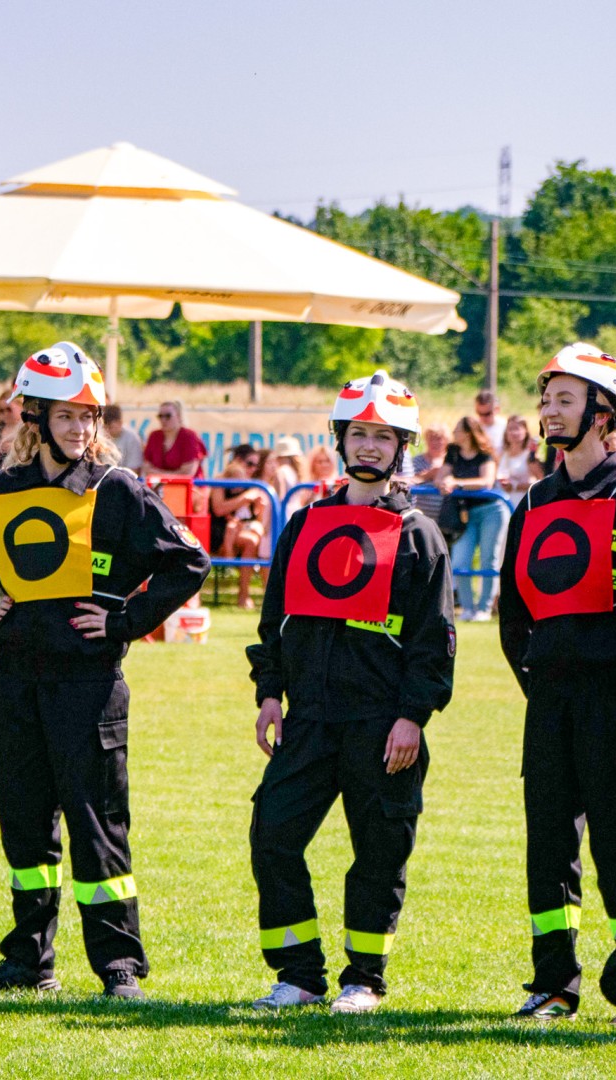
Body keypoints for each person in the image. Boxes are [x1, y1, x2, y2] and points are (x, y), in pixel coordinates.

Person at [0, 341, 209, 997]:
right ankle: (28, 962)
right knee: (25, 825)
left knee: (98, 828)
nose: (79, 428)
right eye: (66, 416)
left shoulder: (117, 490)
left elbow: (189, 561)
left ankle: (118, 968)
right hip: (16, 681)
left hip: (90, 687)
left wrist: (122, 621)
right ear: (34, 419)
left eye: (88, 416)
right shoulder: (2, 490)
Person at [247, 369, 455, 1014]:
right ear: (341, 439)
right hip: (309, 719)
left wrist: (412, 717)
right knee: (272, 835)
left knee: (378, 852)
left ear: (402, 447)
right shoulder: (306, 522)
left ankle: (364, 980)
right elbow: (277, 612)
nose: (369, 446)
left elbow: (434, 638)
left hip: (381, 724)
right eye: (359, 433)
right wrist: (270, 692)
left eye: (383, 436)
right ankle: (300, 974)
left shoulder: (421, 535)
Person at [498, 343, 616, 1027]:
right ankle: (553, 985)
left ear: (604, 414)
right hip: (550, 706)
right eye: (546, 399)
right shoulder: (536, 501)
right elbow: (512, 615)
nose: (549, 411)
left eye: (565, 400)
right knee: (548, 849)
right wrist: (540, 680)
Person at [437, 416, 505, 623]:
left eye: (457, 429)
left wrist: (456, 483)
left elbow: (487, 481)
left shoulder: (485, 454)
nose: (454, 433)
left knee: (488, 558)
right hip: (464, 514)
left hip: (491, 511)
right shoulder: (453, 453)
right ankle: (467, 607)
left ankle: (484, 608)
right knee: (460, 559)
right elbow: (442, 477)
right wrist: (444, 482)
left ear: (467, 433)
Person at [211, 445, 272, 610]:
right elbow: (219, 508)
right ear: (237, 460)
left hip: (242, 531)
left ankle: (244, 596)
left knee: (255, 540)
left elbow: (255, 517)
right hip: (218, 533)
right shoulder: (220, 481)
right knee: (249, 539)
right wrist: (246, 498)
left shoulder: (252, 484)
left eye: (256, 465)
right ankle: (243, 595)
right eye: (250, 463)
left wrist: (259, 507)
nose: (253, 469)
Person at [143, 400, 207, 480]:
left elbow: (187, 474)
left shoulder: (189, 436)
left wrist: (158, 474)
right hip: (158, 486)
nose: (163, 420)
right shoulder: (154, 436)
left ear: (179, 417)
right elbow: (147, 469)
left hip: (189, 488)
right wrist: (172, 475)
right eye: (160, 416)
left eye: (168, 416)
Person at [496, 415, 541, 508]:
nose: (513, 433)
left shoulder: (530, 455)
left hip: (522, 503)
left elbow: (540, 481)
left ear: (525, 431)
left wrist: (515, 486)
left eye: (517, 429)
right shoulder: (501, 454)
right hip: (502, 503)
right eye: (510, 429)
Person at [409, 424, 449, 525]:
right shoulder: (416, 461)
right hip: (419, 516)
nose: (435, 443)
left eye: (439, 439)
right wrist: (428, 475)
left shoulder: (451, 462)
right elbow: (409, 481)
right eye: (431, 439)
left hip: (445, 518)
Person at [102, 404, 143, 475]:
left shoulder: (132, 438)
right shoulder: (100, 436)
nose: (107, 431)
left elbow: (134, 471)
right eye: (105, 427)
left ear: (120, 423)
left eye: (111, 427)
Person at [0, 389, 23, 468]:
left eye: (9, 409)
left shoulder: (28, 427)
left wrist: (12, 449)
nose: (5, 414)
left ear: (20, 407)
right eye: (1, 411)